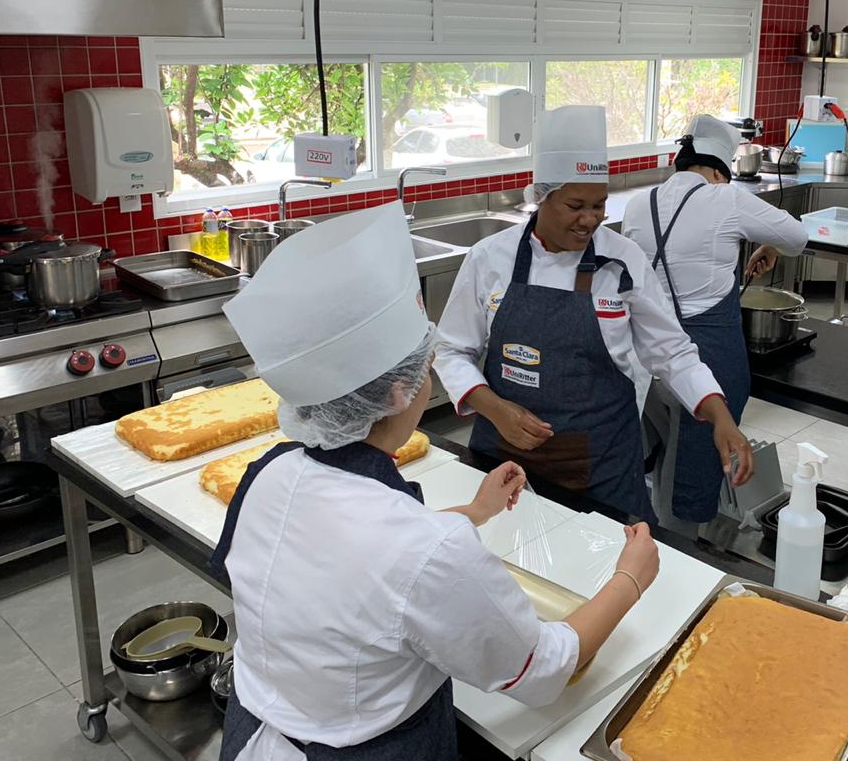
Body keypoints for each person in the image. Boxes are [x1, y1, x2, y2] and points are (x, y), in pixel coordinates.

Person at [215, 203, 660, 761]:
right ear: (400, 393)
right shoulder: (429, 549)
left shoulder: (270, 473)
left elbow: (351, 553)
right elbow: (542, 669)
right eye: (427, 366)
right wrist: (630, 578)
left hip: (251, 736)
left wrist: (474, 512)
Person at [433, 105, 754, 525]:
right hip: (504, 463)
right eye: (575, 205)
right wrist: (494, 408)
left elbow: (673, 353)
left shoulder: (623, 260)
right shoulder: (490, 258)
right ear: (541, 197)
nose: (590, 220)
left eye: (599, 205)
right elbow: (451, 350)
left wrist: (719, 415)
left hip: (603, 464)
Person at [621, 115, 808, 524]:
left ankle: (649, 526)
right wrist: (770, 243)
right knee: (695, 463)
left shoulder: (638, 204)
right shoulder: (727, 199)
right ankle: (680, 538)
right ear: (720, 172)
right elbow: (797, 237)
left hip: (643, 357)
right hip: (707, 361)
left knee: (665, 451)